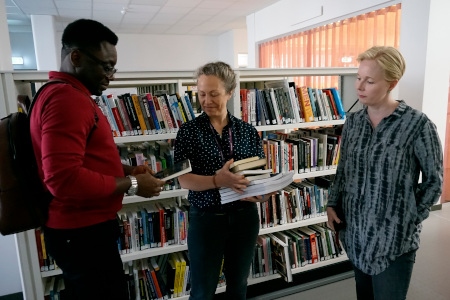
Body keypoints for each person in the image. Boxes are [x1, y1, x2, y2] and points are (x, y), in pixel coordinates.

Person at [30, 19, 166, 300]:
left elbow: (82, 160)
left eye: (113, 68)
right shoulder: (67, 99)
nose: (111, 76)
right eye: (106, 66)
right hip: (82, 234)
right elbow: (63, 179)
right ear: (76, 57)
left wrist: (126, 169)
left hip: (79, 231)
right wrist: (131, 183)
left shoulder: (64, 93)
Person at [326, 46, 443, 300]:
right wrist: (332, 203)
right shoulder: (354, 122)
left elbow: (434, 181)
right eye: (359, 78)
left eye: (369, 81)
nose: (360, 86)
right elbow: (343, 169)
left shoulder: (417, 125)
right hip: (356, 234)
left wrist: (409, 218)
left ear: (392, 83)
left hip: (394, 243)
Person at [174, 61, 272, 300]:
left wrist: (263, 192)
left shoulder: (247, 131)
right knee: (202, 290)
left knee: (238, 285)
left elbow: (258, 173)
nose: (206, 100)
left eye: (214, 94)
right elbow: (183, 180)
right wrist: (219, 180)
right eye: (202, 94)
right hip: (207, 219)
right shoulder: (188, 131)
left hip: (244, 218)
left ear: (229, 93)